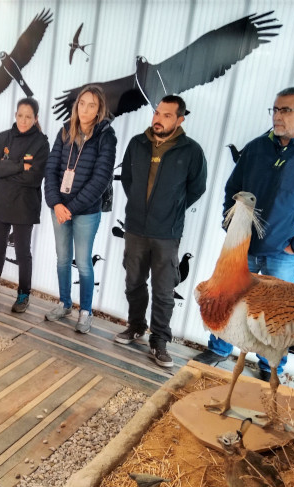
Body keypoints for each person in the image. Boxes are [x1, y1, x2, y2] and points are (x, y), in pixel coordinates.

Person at [194, 87, 294, 380]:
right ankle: (219, 349)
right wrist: (231, 226)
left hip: (283, 256)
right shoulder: (257, 147)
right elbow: (232, 190)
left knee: (277, 317)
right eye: (274, 110)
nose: (277, 116)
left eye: (284, 110)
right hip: (244, 249)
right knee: (229, 300)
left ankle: (268, 367)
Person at [115, 95, 207, 368]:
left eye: (167, 115)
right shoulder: (137, 143)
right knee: (133, 282)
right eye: (157, 112)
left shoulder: (191, 151)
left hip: (166, 233)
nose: (158, 118)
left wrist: (170, 210)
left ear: (180, 120)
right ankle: (135, 326)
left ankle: (159, 341)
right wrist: (140, 208)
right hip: (135, 228)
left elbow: (196, 188)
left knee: (164, 290)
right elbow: (128, 181)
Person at [43, 85, 117, 333]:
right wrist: (55, 203)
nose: (85, 109)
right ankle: (65, 303)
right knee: (63, 259)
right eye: (82, 103)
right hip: (59, 208)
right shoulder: (65, 130)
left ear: (99, 110)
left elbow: (101, 179)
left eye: (92, 105)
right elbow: (51, 168)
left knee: (83, 263)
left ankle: (85, 311)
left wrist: (70, 208)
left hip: (85, 212)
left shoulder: (106, 136)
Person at [0, 98, 50, 312]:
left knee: (23, 253)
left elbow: (33, 178)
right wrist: (20, 165)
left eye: (29, 116)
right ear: (15, 115)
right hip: (0, 202)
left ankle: (23, 294)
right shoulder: (3, 137)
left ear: (36, 118)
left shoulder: (41, 143)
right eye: (20, 115)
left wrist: (5, 170)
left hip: (24, 206)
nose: (24, 120)